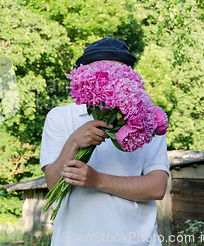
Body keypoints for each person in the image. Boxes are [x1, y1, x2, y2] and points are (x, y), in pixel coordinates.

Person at [40, 37, 169, 245]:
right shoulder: (59, 117)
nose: (110, 79)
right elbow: (52, 183)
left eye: (118, 72)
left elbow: (157, 188)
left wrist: (97, 180)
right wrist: (73, 142)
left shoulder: (147, 120)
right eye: (102, 71)